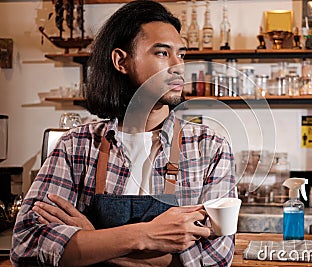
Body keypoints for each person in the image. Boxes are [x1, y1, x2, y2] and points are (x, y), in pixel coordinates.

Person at [11, 1, 237, 266]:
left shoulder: (209, 147)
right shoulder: (76, 146)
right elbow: (27, 245)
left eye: (182, 54)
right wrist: (145, 236)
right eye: (163, 53)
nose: (178, 66)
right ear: (121, 61)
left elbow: (215, 257)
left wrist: (94, 239)